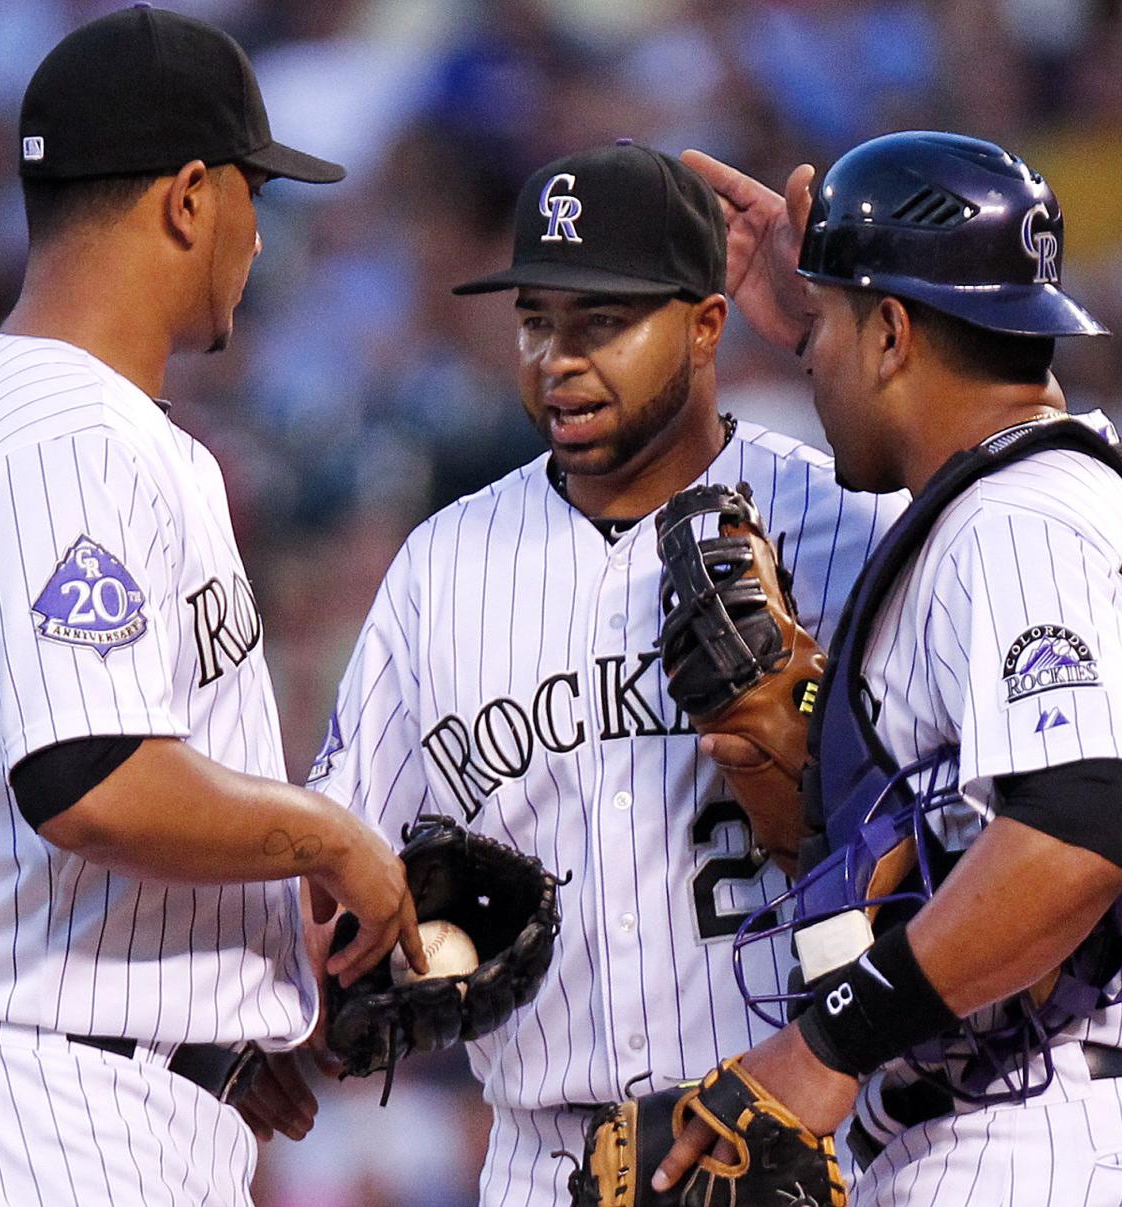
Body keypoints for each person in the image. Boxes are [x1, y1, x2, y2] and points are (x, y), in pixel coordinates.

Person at [0, 8, 425, 1205]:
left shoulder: (66, 421)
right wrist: (329, 836)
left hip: (71, 1084)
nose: (262, 234)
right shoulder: (70, 439)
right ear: (190, 196)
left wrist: (205, 1025)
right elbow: (92, 780)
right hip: (37, 1113)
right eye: (256, 192)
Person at [652, 131, 1122, 1203]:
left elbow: (1077, 824)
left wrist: (828, 1043)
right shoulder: (1040, 493)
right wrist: (834, 320)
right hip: (1062, 1123)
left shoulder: (1019, 521)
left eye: (823, 334)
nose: (809, 358)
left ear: (891, 333)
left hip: (1044, 1134)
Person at [304, 140, 899, 1205]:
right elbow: (342, 870)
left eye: (602, 323)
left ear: (706, 323)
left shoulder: (846, 526)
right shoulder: (441, 567)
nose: (557, 360)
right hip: (546, 1156)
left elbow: (951, 842)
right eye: (536, 320)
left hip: (795, 1142)